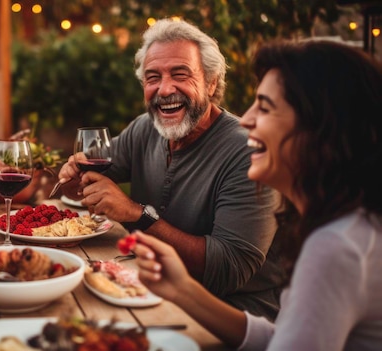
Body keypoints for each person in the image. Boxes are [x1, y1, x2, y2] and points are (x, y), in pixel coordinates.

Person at [133, 40, 382, 350]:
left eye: (264, 107)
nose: (246, 119)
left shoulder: (337, 246)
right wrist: (183, 289)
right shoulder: (344, 227)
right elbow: (283, 340)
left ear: (319, 128)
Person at [58, 18, 284, 319]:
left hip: (233, 314)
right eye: (153, 77)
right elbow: (89, 175)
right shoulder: (144, 129)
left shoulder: (248, 152)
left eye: (180, 74)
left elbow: (229, 269)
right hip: (147, 288)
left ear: (211, 82)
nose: (165, 89)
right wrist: (73, 175)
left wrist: (136, 214)